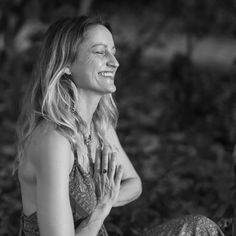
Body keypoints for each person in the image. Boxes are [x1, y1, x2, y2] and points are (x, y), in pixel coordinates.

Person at [14, 15, 225, 236]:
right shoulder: (54, 142)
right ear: (65, 64)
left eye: (113, 51)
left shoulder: (98, 126)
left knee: (200, 228)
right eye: (99, 51)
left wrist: (109, 195)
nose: (115, 62)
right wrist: (101, 208)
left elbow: (134, 183)